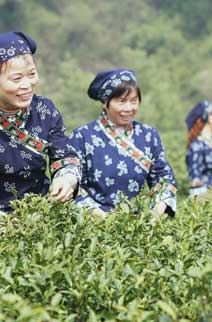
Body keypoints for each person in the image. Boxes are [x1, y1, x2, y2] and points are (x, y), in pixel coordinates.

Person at [0, 31, 80, 216]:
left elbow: (64, 158)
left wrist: (66, 180)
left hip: (42, 213)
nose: (27, 85)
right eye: (17, 78)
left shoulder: (46, 110)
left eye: (32, 74)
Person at [67, 68, 177, 217]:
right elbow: (73, 185)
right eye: (121, 102)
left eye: (134, 101)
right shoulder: (83, 136)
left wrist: (154, 217)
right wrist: (102, 218)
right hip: (92, 223)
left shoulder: (148, 136)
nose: (129, 108)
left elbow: (163, 178)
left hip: (134, 226)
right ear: (106, 103)